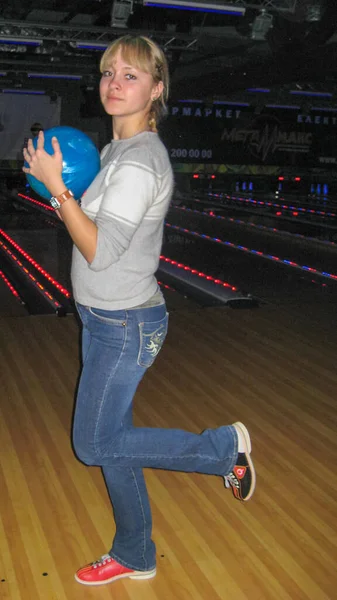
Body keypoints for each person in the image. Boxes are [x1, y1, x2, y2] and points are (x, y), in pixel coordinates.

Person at [22, 35, 256, 587]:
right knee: (113, 443)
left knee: (93, 443)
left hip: (125, 325)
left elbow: (101, 249)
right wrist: (63, 192)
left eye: (131, 75)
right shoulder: (115, 152)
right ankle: (135, 552)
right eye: (108, 73)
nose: (114, 83)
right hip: (105, 317)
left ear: (156, 89)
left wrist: (58, 192)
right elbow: (93, 234)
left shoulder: (139, 163)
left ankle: (223, 450)